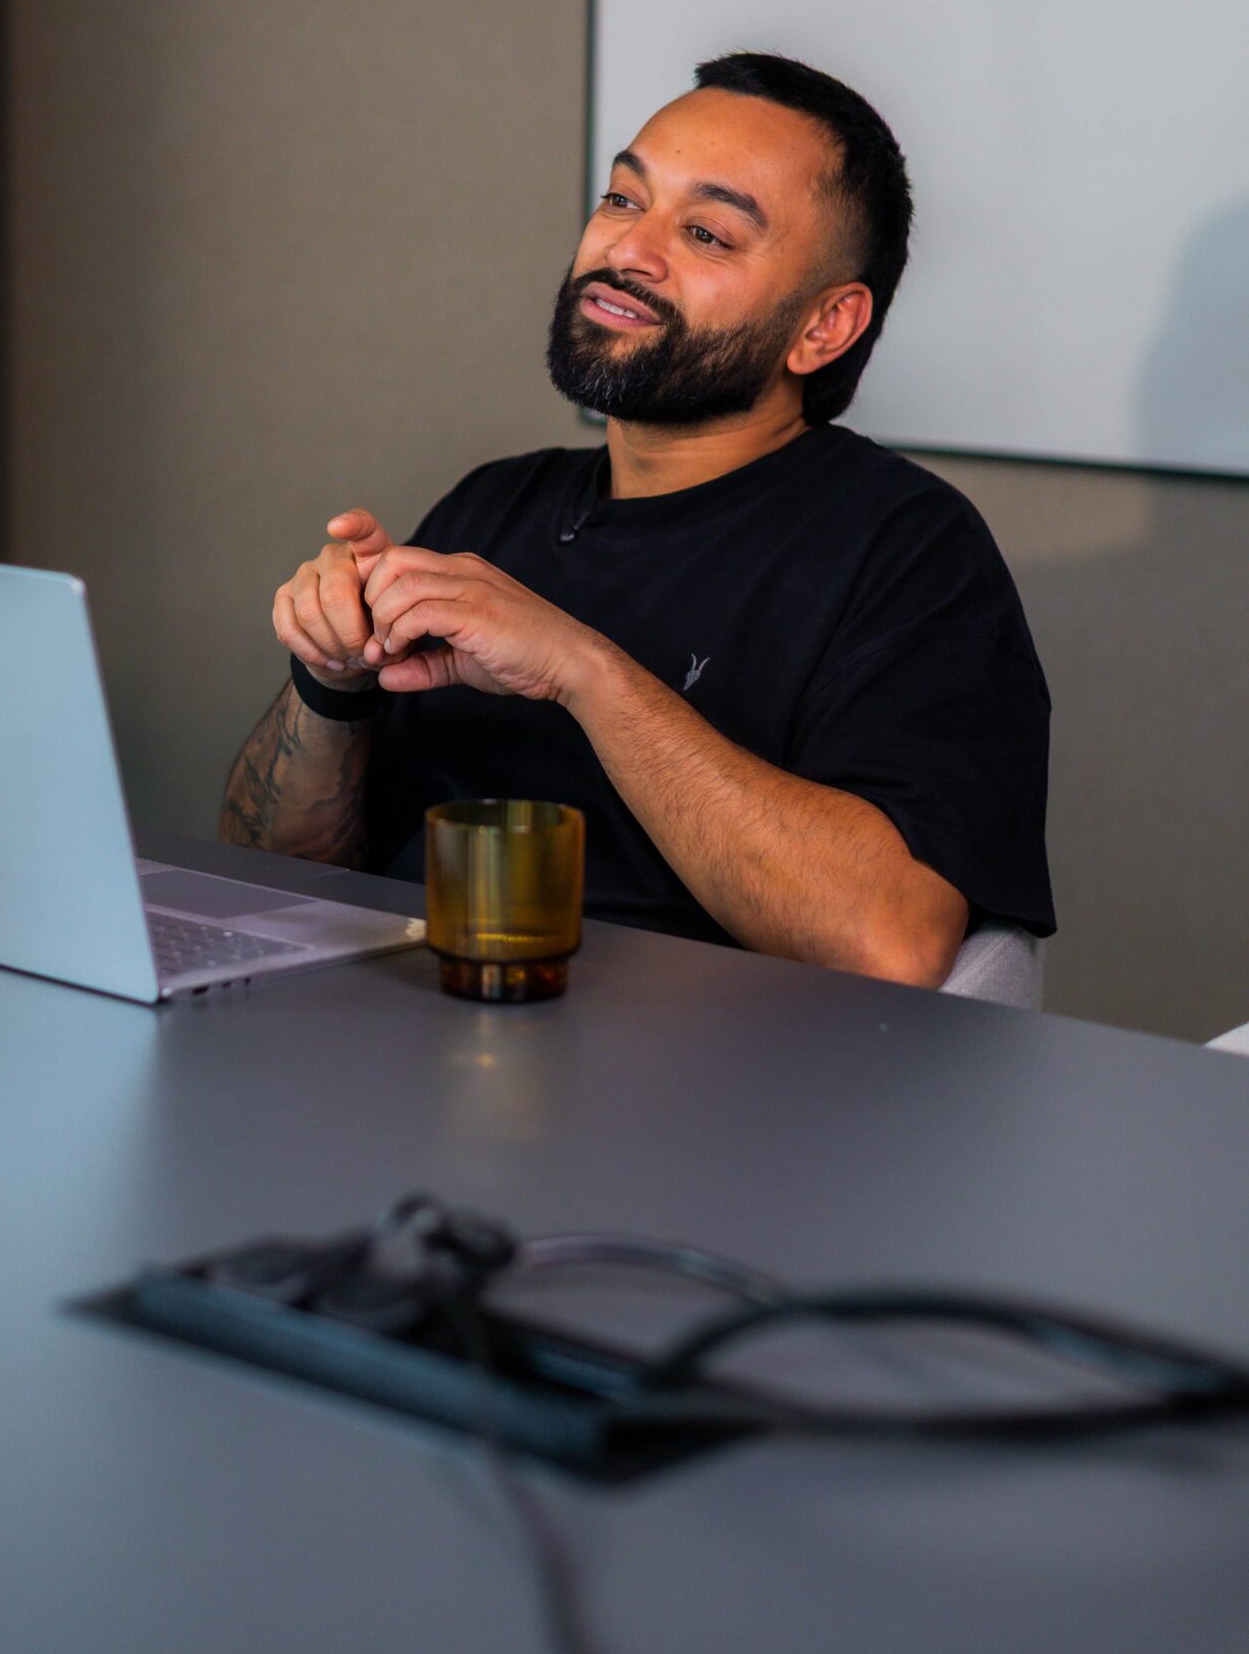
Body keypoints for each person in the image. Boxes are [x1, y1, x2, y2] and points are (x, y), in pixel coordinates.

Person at [220, 53, 1053, 985]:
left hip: (689, 1105)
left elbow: (889, 944)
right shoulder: (493, 505)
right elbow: (274, 881)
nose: (629, 251)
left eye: (704, 232)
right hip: (384, 1038)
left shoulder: (904, 551)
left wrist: (580, 667)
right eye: (623, 199)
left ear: (823, 326)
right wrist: (330, 681)